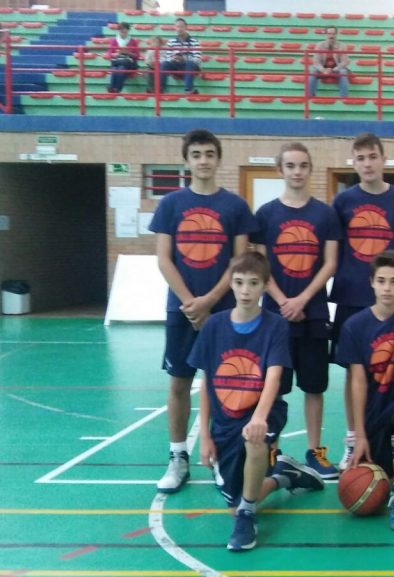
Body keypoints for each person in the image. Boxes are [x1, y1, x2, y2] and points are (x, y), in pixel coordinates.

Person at [188, 252, 324, 552]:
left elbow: (274, 376)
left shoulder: (275, 326)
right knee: (232, 503)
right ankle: (285, 477)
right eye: (239, 282)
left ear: (264, 285)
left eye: (253, 283)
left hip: (265, 411)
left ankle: (248, 516)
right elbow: (207, 382)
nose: (246, 290)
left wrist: (259, 417)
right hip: (225, 421)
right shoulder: (214, 326)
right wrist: (205, 436)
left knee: (254, 443)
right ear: (231, 284)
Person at [148, 128, 258, 494]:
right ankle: (178, 456)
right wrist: (190, 303)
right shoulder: (171, 204)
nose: (204, 161)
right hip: (182, 310)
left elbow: (239, 262)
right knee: (179, 381)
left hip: (223, 311)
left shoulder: (235, 206)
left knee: (221, 383)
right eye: (196, 155)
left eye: (210, 154)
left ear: (218, 159)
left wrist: (209, 300)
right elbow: (164, 259)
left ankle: (221, 455)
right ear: (187, 161)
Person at [251, 142, 341, 479]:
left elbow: (330, 263)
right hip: (275, 318)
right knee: (274, 388)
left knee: (314, 387)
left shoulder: (325, 214)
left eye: (303, 165)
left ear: (310, 169)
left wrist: (302, 299)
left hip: (313, 313)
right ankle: (272, 452)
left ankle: (316, 452)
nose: (297, 171)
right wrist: (283, 301)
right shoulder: (266, 214)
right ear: (280, 170)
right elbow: (260, 265)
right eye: (290, 166)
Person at [330, 132, 394, 471]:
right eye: (361, 158)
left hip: (391, 299)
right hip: (352, 296)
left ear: (383, 159)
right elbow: (335, 248)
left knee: (392, 369)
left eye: (372, 157)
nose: (367, 164)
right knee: (353, 373)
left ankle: (392, 436)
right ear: (354, 163)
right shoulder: (343, 202)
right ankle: (354, 438)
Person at [337, 251, 394, 531]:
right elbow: (357, 382)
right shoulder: (354, 326)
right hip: (373, 404)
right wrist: (359, 435)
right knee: (375, 479)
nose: (387, 288)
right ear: (371, 283)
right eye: (381, 281)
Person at [160, 17, 201, 94]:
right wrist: (173, 59)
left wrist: (184, 58)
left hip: (190, 66)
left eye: (181, 26)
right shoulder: (171, 41)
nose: (179, 29)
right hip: (176, 64)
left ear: (186, 27)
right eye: (177, 27)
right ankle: (160, 89)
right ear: (175, 28)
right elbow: (165, 57)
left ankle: (188, 90)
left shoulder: (194, 41)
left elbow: (197, 59)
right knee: (164, 64)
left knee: (190, 63)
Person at [307, 26, 349, 98]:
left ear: (336, 34)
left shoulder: (342, 46)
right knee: (313, 71)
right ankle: (310, 97)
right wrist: (323, 70)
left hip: (336, 69)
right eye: (329, 34)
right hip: (323, 69)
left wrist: (334, 69)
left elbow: (344, 62)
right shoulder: (320, 45)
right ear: (325, 34)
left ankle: (344, 98)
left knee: (343, 72)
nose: (331, 36)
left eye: (333, 34)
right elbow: (316, 62)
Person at [106, 22, 140, 93]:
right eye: (121, 30)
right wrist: (117, 53)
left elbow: (137, 56)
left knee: (121, 68)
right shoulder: (114, 41)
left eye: (125, 31)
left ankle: (116, 88)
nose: (123, 32)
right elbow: (109, 54)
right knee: (115, 69)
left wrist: (128, 53)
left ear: (128, 30)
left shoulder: (133, 41)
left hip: (128, 63)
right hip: (117, 61)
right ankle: (113, 88)